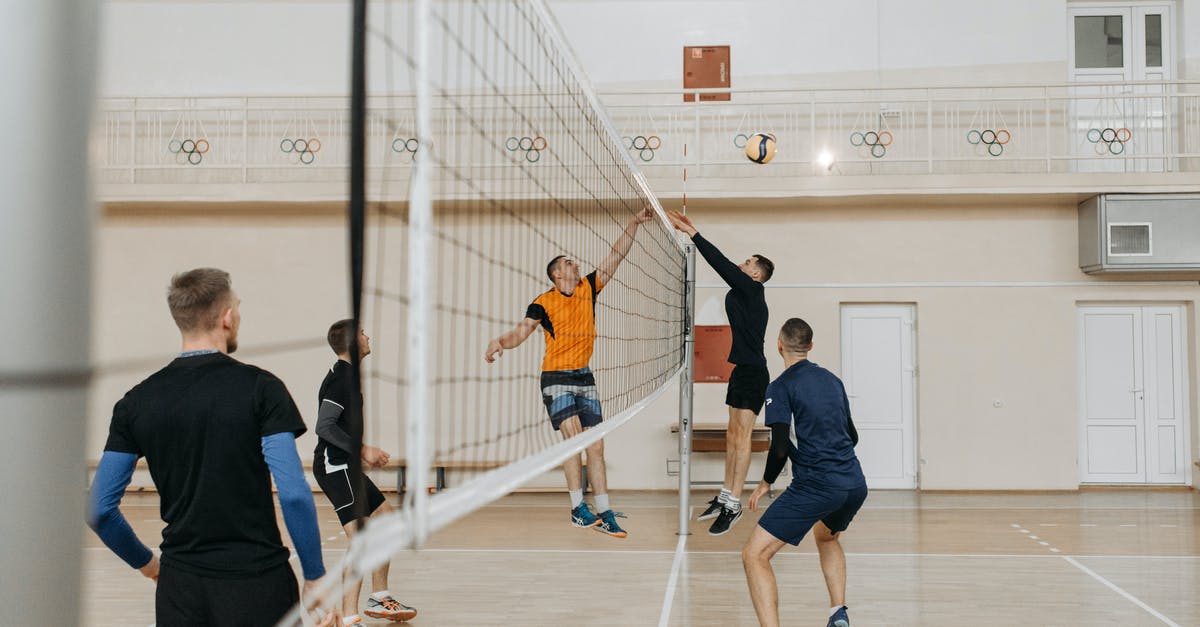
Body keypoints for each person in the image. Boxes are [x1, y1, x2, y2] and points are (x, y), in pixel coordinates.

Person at [86, 268, 335, 626]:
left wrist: (148, 565)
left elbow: (99, 510)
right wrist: (314, 575)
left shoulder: (136, 402)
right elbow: (293, 494)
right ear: (227, 318)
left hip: (180, 589)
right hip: (259, 584)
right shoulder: (262, 388)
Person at [484, 207, 653, 538]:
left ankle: (604, 510)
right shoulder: (543, 302)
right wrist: (499, 341)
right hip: (556, 378)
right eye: (568, 263)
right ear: (557, 274)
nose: (576, 265)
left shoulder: (589, 288)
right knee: (574, 441)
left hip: (584, 377)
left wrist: (633, 223)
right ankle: (578, 508)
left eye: (575, 263)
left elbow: (615, 257)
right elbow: (520, 333)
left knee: (597, 448)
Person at [742, 318, 867, 627]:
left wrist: (764, 484)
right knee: (826, 537)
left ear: (779, 346)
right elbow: (853, 437)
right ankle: (838, 614)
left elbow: (780, 448)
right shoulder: (832, 380)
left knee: (754, 555)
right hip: (853, 483)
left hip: (817, 485)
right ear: (810, 347)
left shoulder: (780, 386)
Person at [666, 210, 774, 535]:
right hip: (742, 371)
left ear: (756, 274)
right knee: (732, 437)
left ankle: (734, 505)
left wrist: (694, 234)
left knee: (742, 441)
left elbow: (722, 265)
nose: (742, 264)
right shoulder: (745, 291)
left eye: (748, 262)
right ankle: (725, 495)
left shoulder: (753, 291)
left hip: (755, 373)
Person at [314, 319, 418, 625]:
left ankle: (381, 596)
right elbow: (324, 426)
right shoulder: (341, 379)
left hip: (347, 466)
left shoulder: (349, 375)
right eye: (362, 333)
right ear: (350, 342)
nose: (367, 335)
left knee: (385, 520)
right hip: (337, 466)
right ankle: (349, 617)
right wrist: (363, 449)